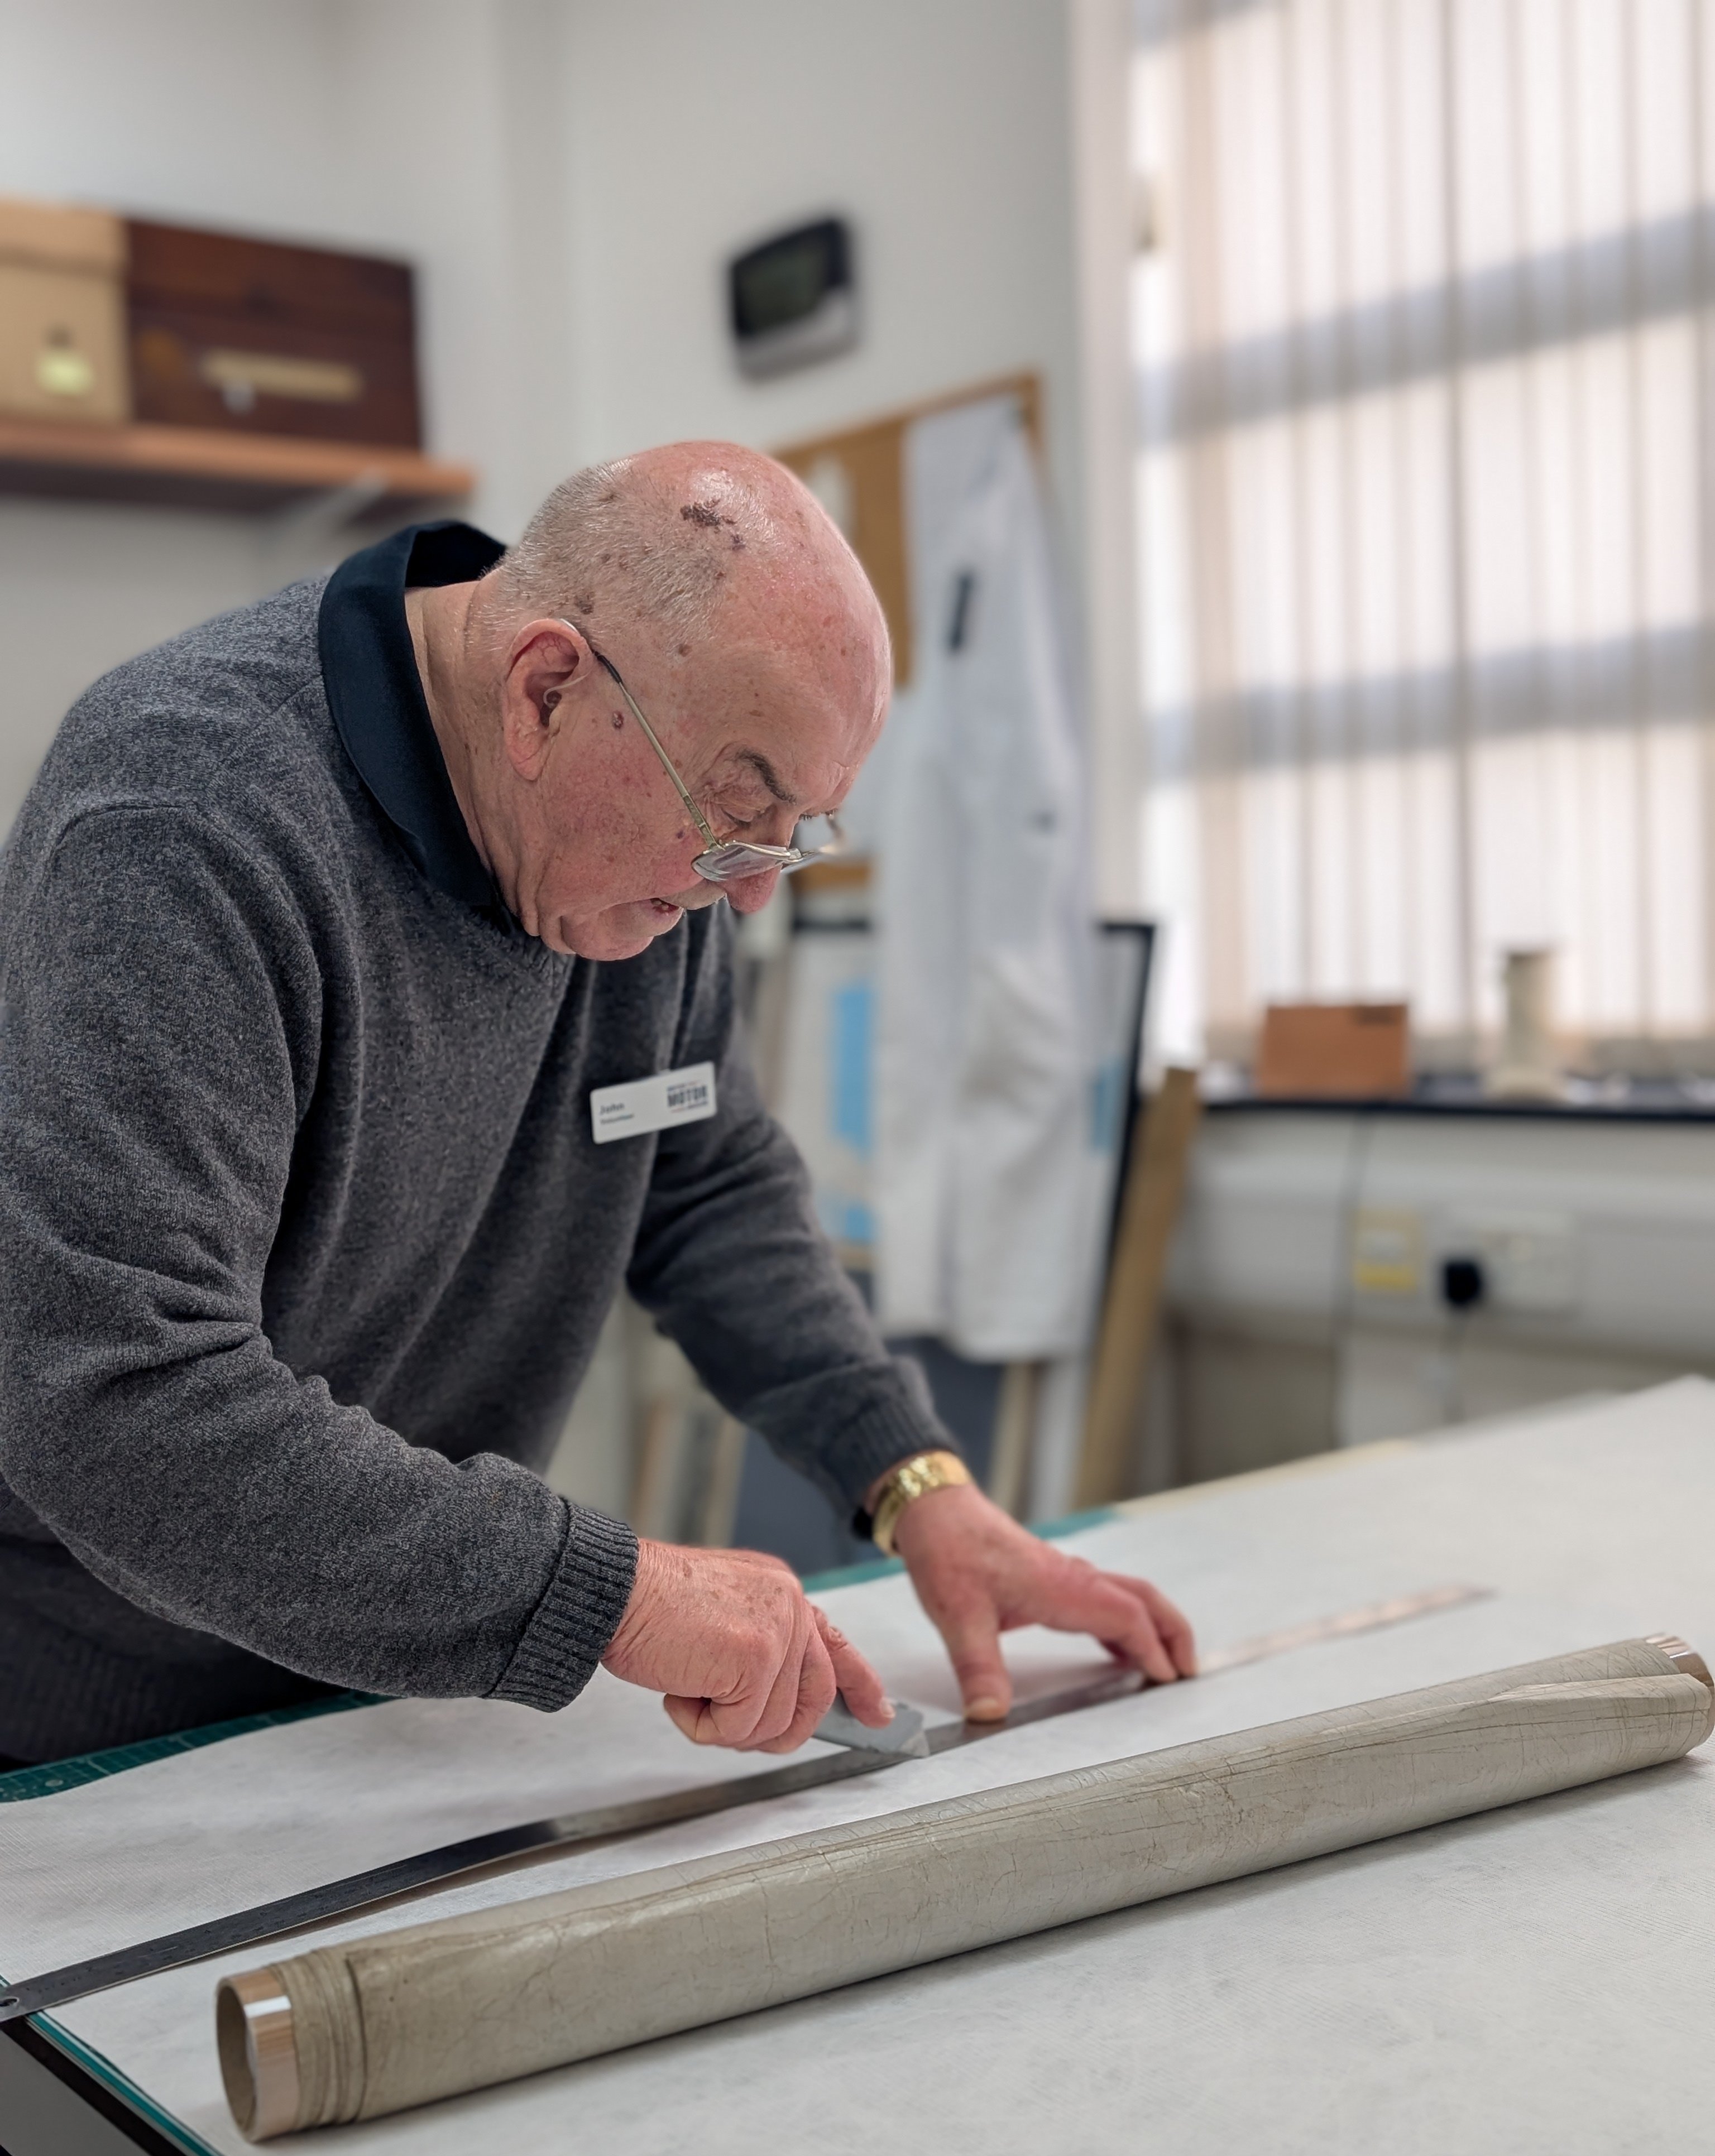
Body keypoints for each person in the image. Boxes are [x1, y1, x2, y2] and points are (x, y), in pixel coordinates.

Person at [0, 443, 1194, 1770]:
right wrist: (604, 1595)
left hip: (382, 1696)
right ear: (546, 689)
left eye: (800, 831)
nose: (752, 894)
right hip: (73, 1725)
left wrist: (914, 1481)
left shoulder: (647, 839)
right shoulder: (184, 824)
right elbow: (112, 1396)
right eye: (742, 815)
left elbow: (702, 1185)